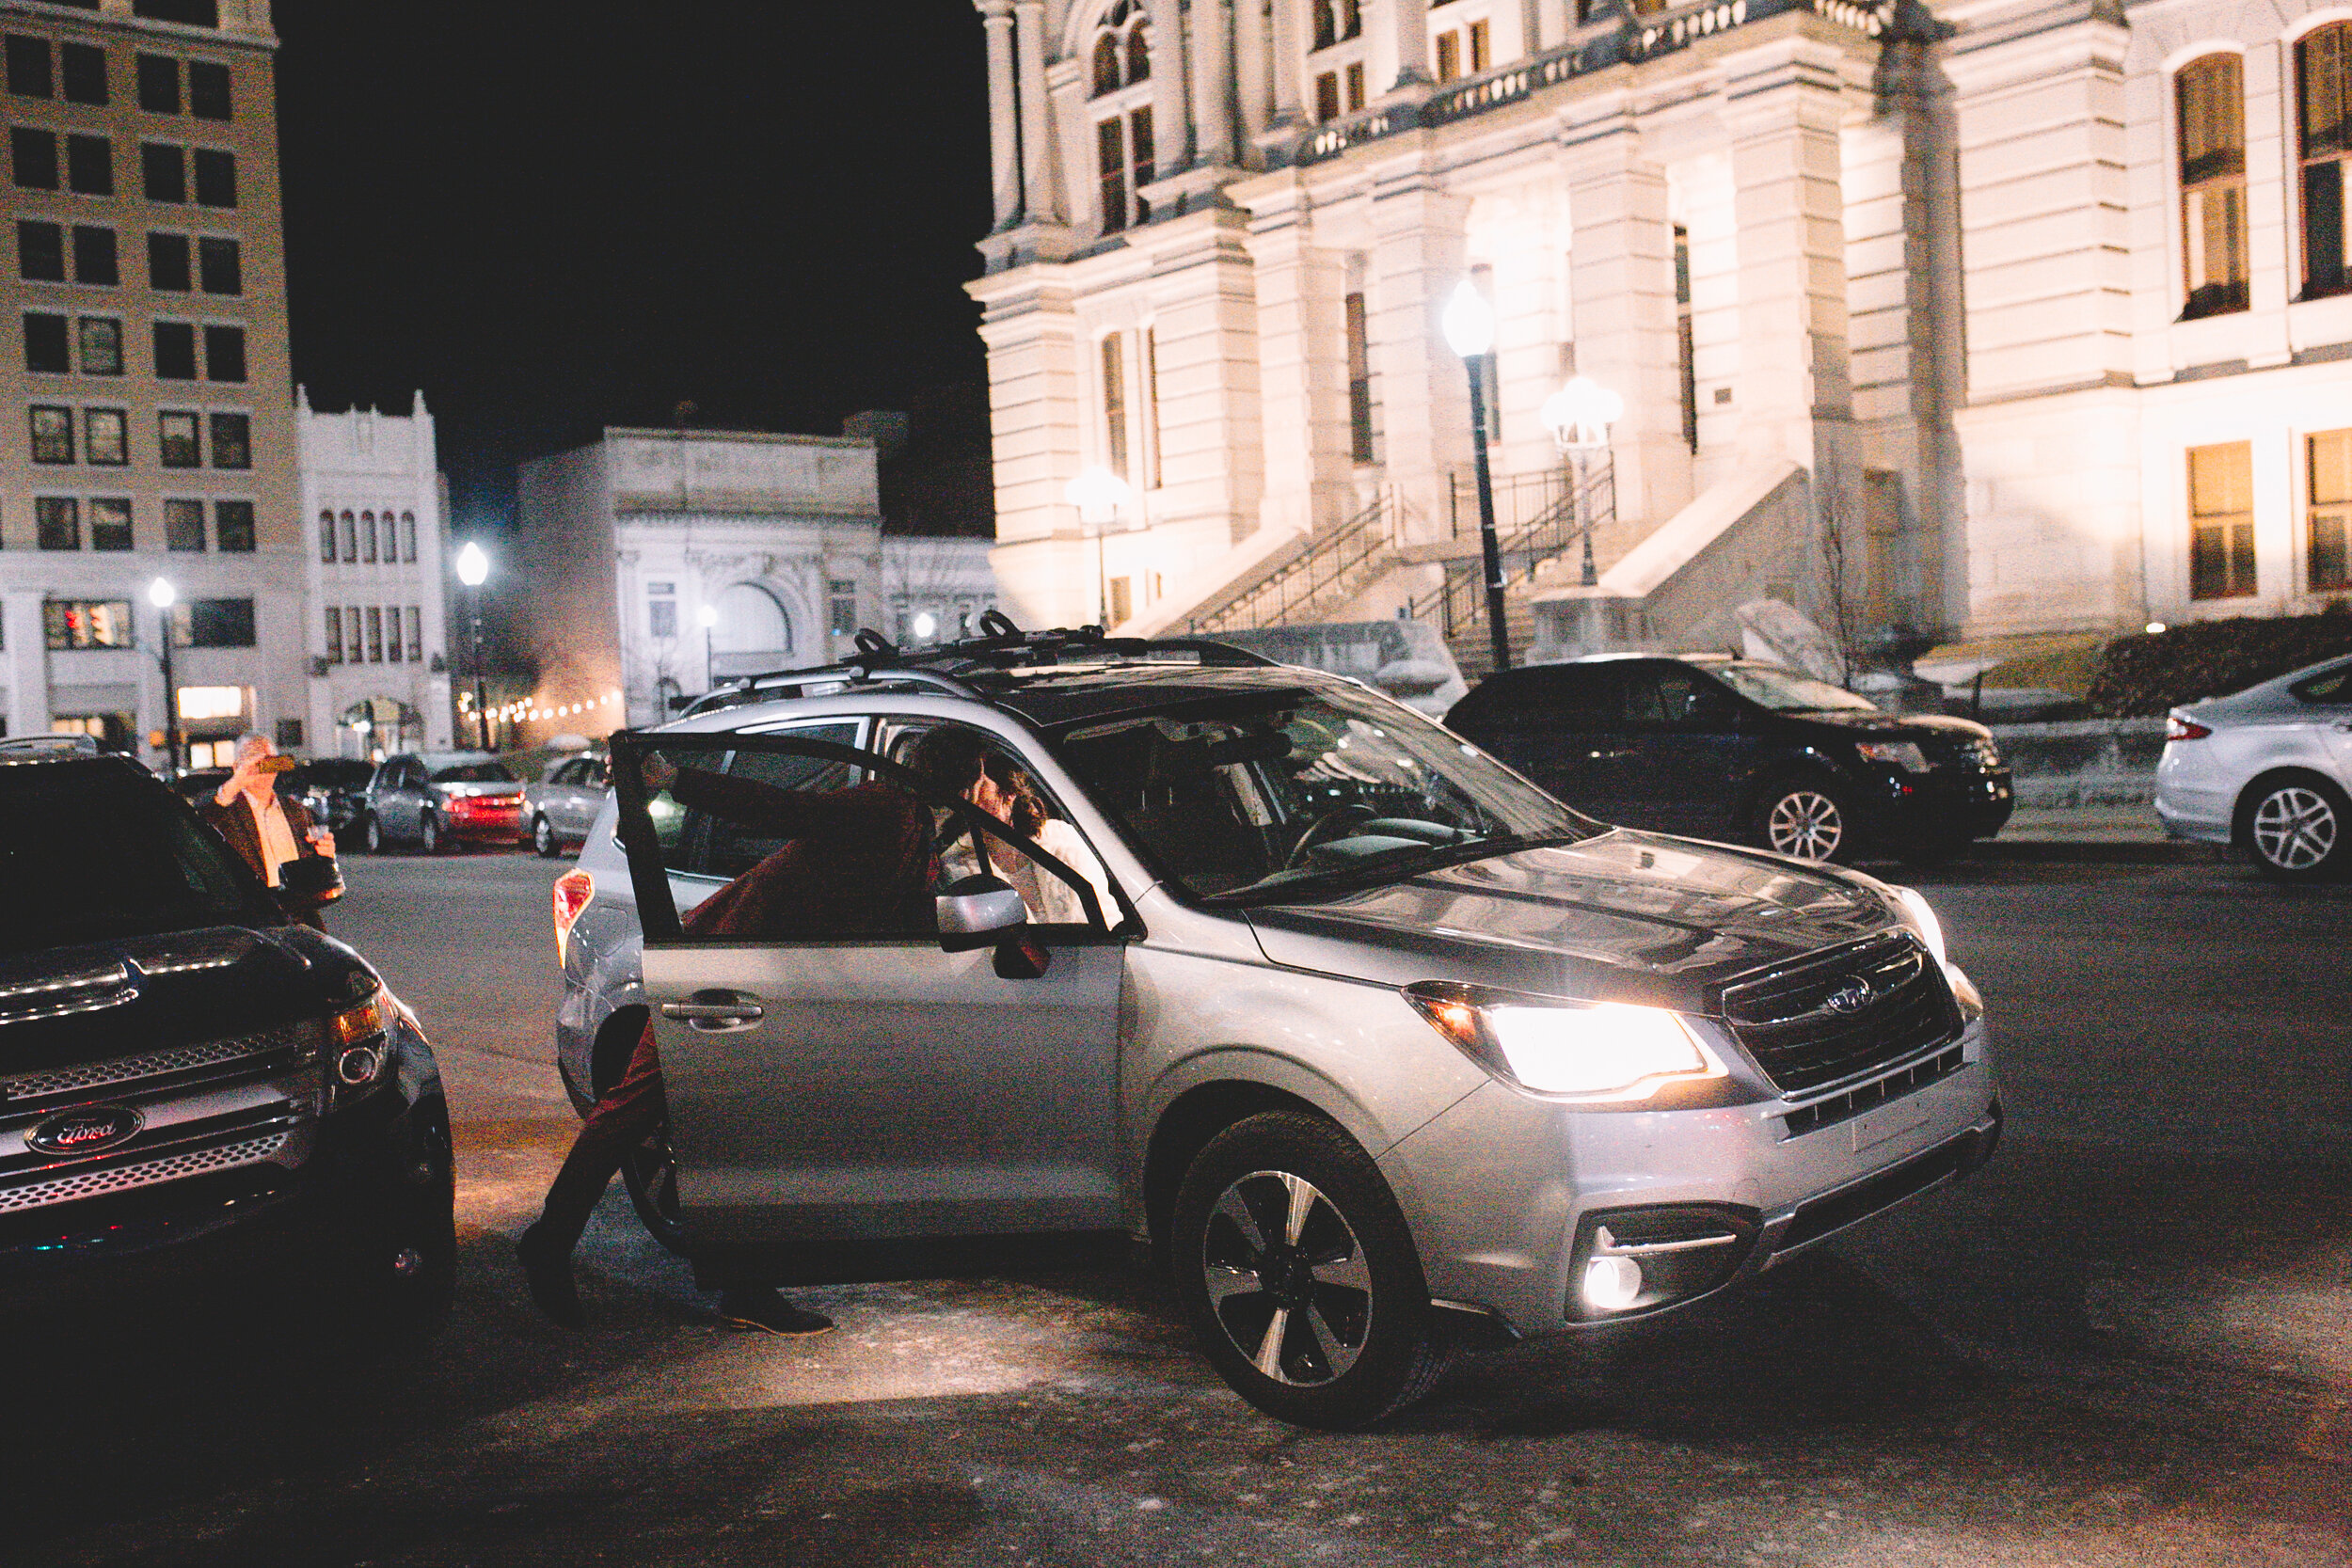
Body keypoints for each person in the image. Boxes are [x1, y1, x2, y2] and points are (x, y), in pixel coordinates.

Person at [516, 746, 940, 1337]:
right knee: (638, 1108)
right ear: (966, 774)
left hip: (775, 974)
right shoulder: (883, 808)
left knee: (738, 1125)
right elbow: (779, 806)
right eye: (996, 777)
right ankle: (551, 1242)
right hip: (730, 967)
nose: (1004, 791)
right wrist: (675, 778)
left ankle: (743, 1287)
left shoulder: (919, 827)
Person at [919, 730, 1115, 928]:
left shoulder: (1062, 841)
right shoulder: (957, 866)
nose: (972, 798)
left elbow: (1102, 922)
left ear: (1009, 791)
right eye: (966, 790)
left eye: (981, 786)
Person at [199, 734, 337, 930]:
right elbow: (202, 823)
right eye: (255, 760)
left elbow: (311, 867)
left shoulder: (296, 811)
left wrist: (324, 856)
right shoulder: (224, 809)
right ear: (237, 765)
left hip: (297, 915)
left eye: (270, 762)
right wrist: (236, 783)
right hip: (250, 919)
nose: (263, 769)